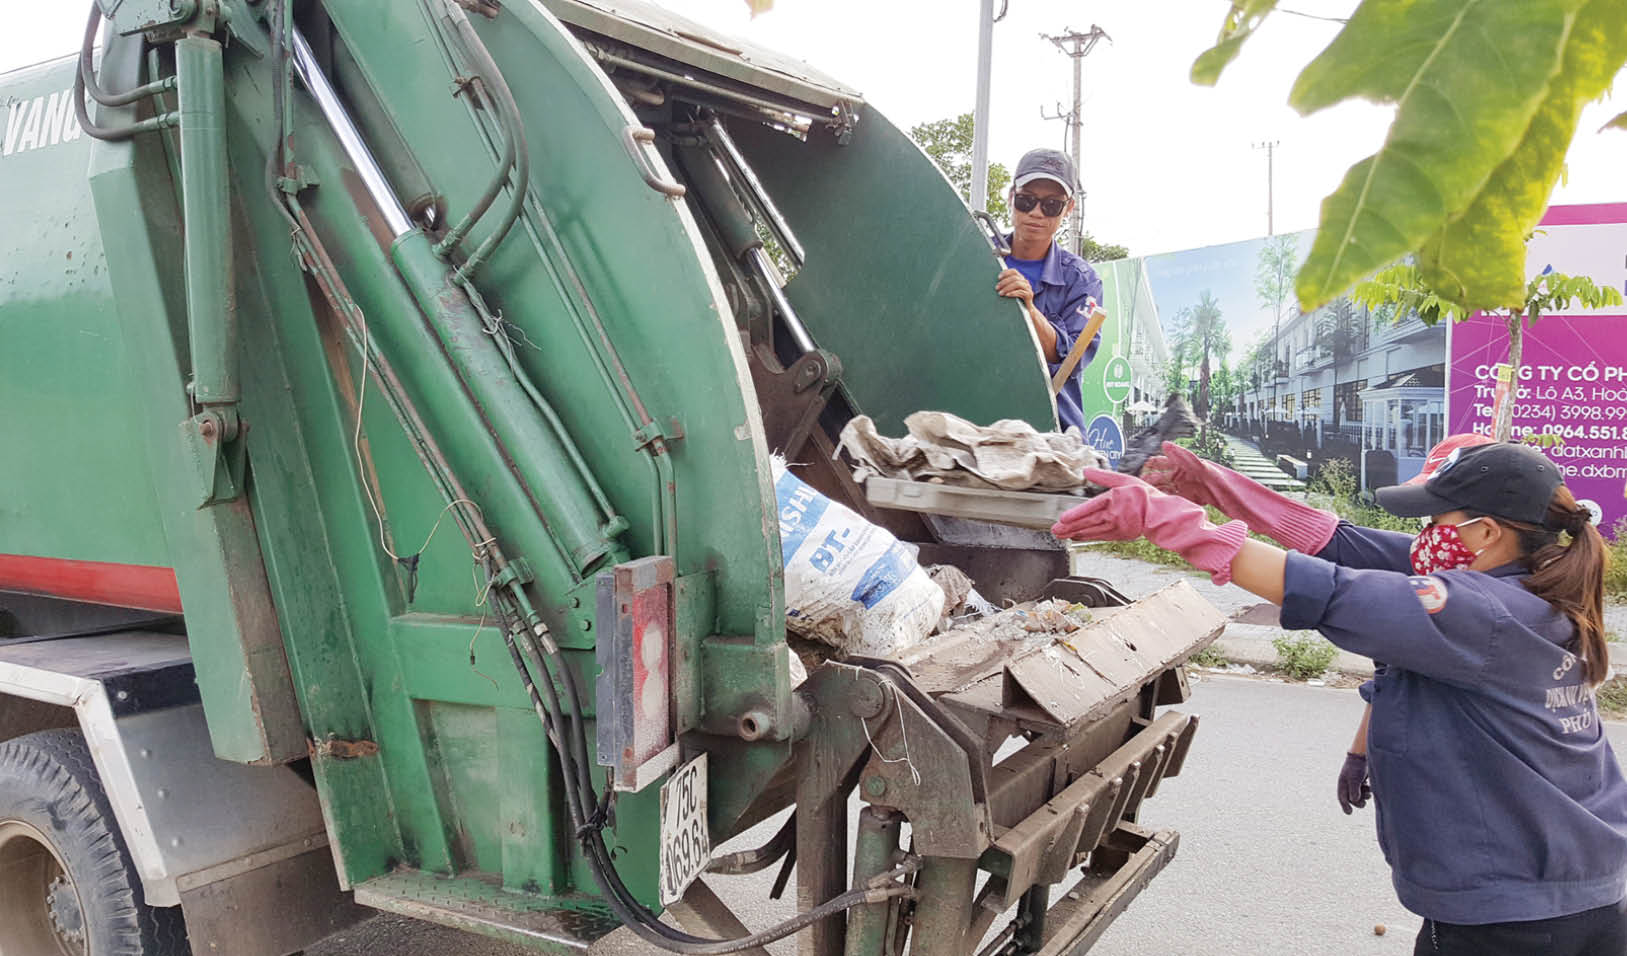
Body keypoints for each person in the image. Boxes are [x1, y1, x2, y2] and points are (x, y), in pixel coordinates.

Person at [1062, 440, 1627, 955]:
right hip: (1584, 881)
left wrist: (1180, 527)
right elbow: (1337, 543)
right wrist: (1215, 485)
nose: (1425, 534)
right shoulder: (1540, 581)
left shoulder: (1477, 610)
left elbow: (1329, 590)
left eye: (1437, 518)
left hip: (1514, 915)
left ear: (1486, 532)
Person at [994, 148, 1103, 432]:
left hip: (1053, 433)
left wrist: (1028, 311)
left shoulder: (1083, 281)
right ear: (1011, 197)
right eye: (1026, 201)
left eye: (1051, 205)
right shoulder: (978, 256)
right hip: (976, 422)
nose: (1036, 213)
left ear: (1068, 208)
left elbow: (1070, 359)